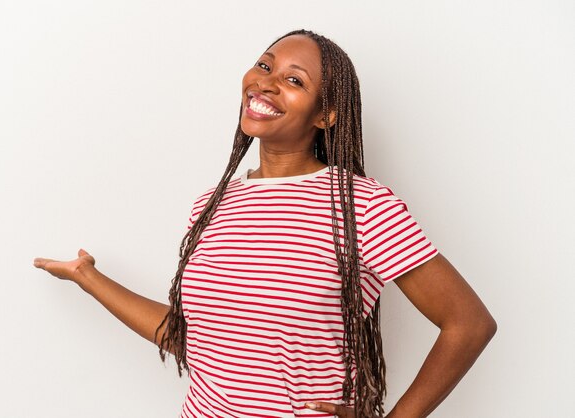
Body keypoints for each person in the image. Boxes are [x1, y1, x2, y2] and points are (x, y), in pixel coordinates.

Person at [33, 29, 497, 418]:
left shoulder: (361, 204)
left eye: (293, 79)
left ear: (326, 114)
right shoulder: (212, 206)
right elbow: (198, 342)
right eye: (264, 66)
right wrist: (88, 278)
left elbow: (468, 323)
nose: (267, 83)